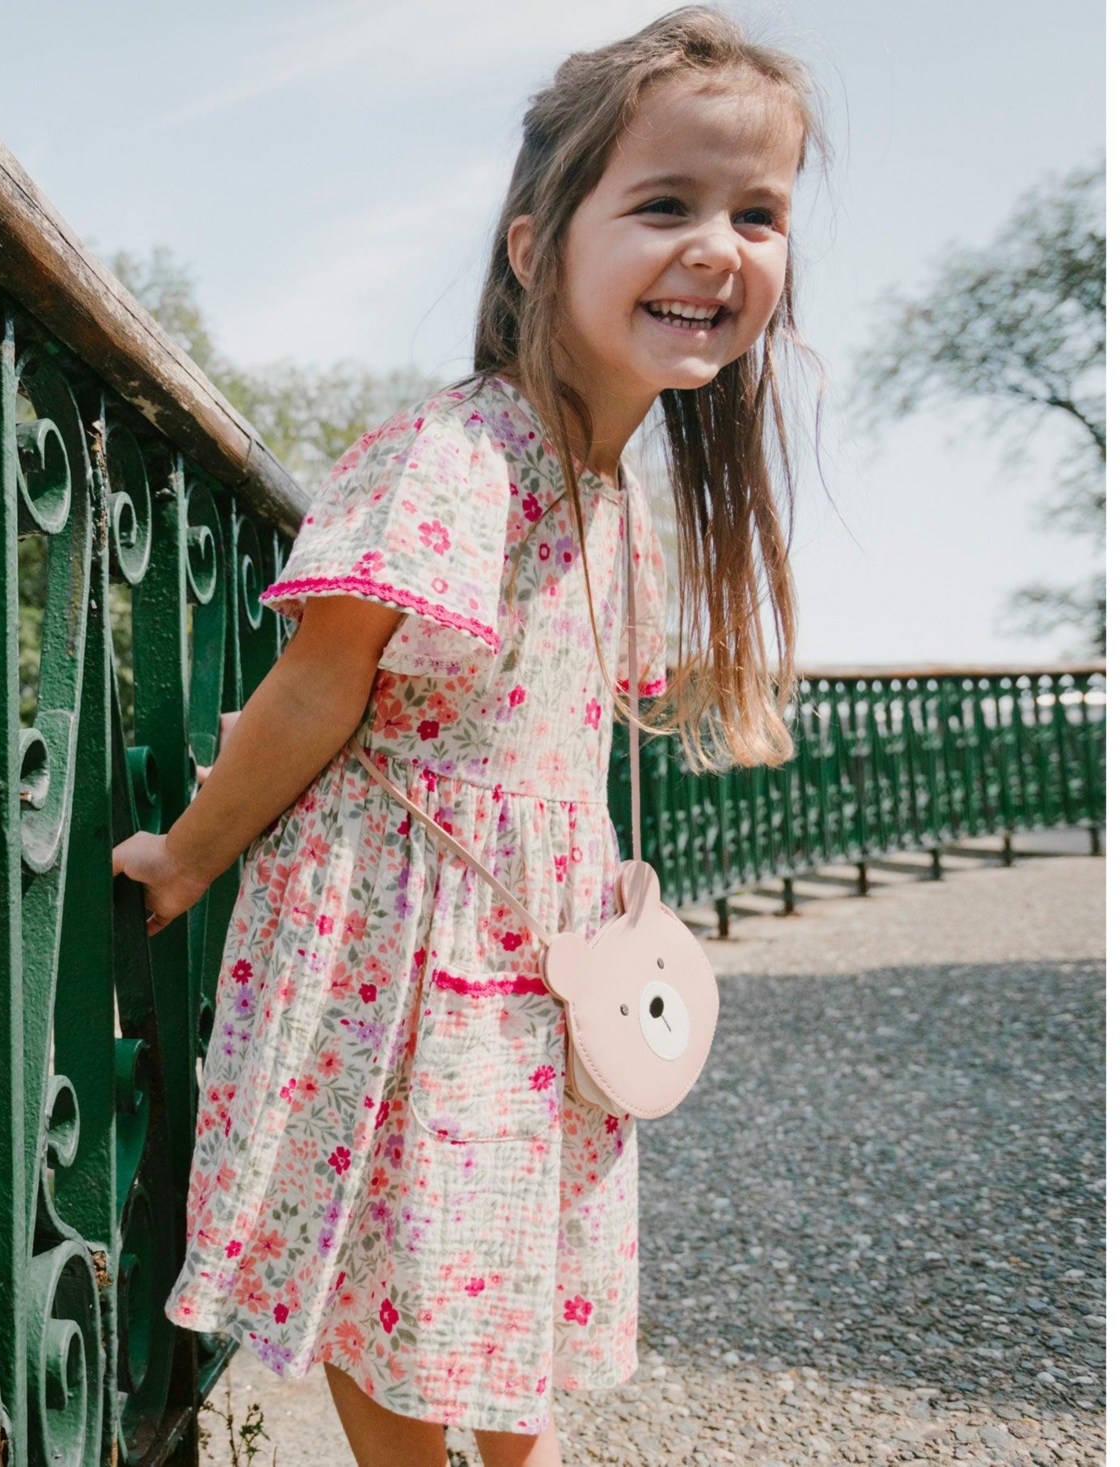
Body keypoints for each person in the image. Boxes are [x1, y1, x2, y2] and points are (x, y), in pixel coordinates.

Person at [112, 6, 826, 1463]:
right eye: (667, 203)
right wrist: (187, 856)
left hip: (524, 945)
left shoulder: (616, 496)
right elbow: (321, 689)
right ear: (532, 246)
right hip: (404, 947)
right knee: (406, 1258)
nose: (719, 246)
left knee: (496, 1264)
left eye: (759, 212)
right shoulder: (458, 451)